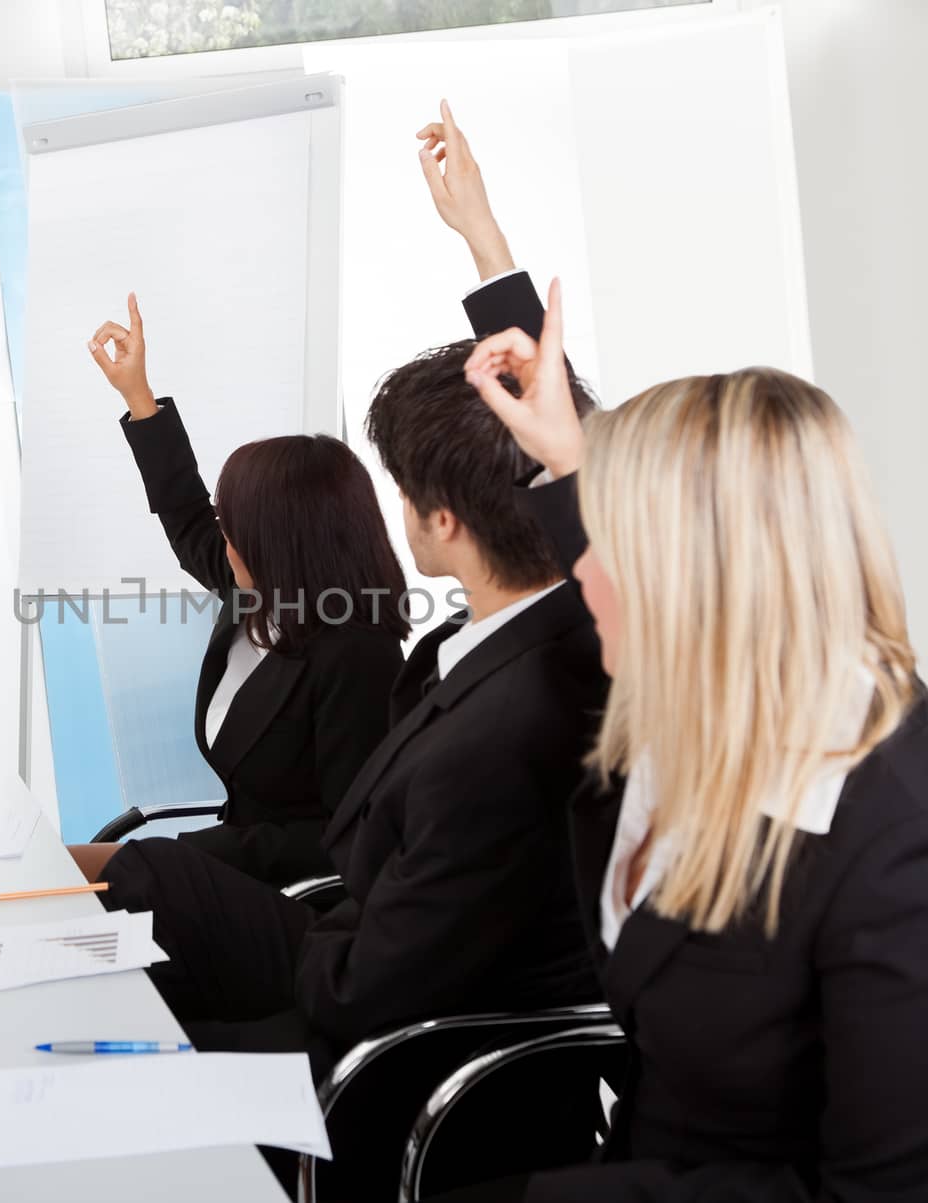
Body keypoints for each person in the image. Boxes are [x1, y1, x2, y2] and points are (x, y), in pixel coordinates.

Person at [432, 277, 928, 1200]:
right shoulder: (707, 688)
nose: (576, 575)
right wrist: (559, 446)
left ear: (706, 583)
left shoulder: (914, 866)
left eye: (608, 546)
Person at [93, 106, 605, 1091]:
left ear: (442, 519)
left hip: (376, 1035)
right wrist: (479, 235)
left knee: (107, 1038)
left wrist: (194, 987)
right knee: (125, 935)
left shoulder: (524, 694)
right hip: (347, 945)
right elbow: (565, 447)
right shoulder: (478, 649)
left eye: (403, 485)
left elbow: (363, 982)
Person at [68, 293, 409, 888]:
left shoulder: (357, 655)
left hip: (294, 900)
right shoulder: (260, 593)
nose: (221, 539)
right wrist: (138, 397)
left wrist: (194, 858)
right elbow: (185, 516)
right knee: (59, 878)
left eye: (234, 529)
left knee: (81, 883)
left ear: (280, 544)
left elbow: (349, 836)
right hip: (235, 866)